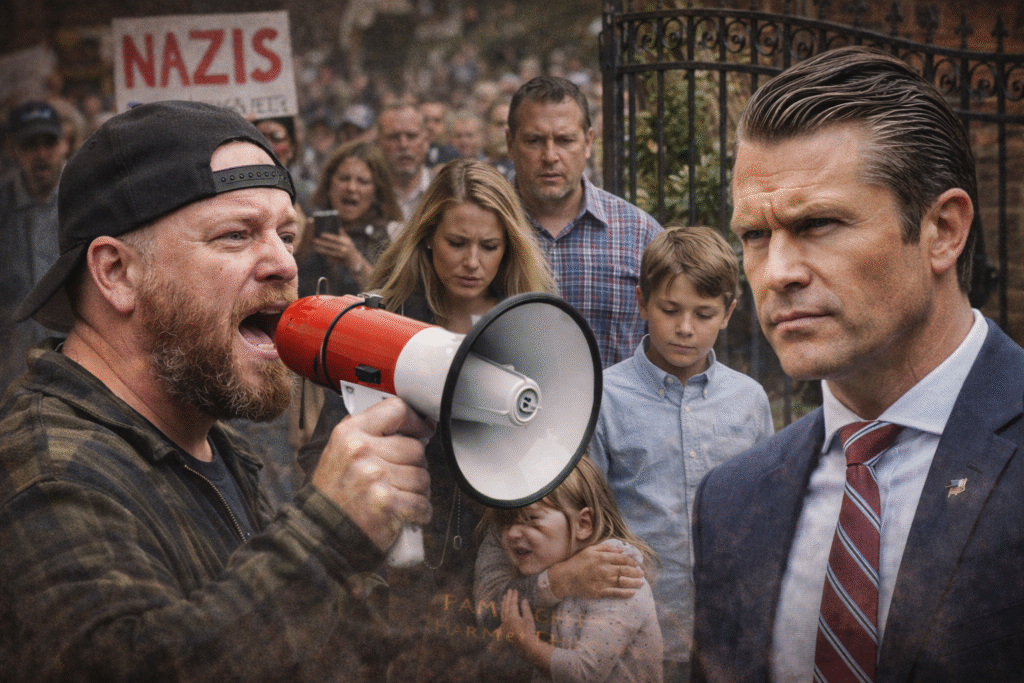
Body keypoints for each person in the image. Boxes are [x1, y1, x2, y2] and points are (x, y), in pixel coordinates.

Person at [0, 100, 433, 682]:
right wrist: (327, 535)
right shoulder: (49, 471)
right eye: (235, 235)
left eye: (285, 233)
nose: (284, 264)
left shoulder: (211, 440)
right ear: (116, 273)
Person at [690, 46, 1024, 683]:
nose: (777, 272)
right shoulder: (731, 503)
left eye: (817, 223)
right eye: (754, 236)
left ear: (943, 231)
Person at [298, 159, 558, 682]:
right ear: (426, 238)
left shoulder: (530, 328)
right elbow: (326, 448)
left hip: (503, 579)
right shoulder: (385, 326)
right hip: (405, 583)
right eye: (457, 242)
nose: (472, 262)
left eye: (489, 246)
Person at [589, 225, 773, 683]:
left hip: (728, 634)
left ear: (729, 313)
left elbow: (767, 513)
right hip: (635, 631)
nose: (685, 328)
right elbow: (586, 519)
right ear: (642, 302)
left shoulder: (748, 401)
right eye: (670, 310)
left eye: (704, 313)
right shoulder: (604, 398)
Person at [506, 75, 662, 368]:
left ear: (588, 142)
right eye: (534, 141)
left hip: (613, 414)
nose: (550, 156)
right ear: (510, 143)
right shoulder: (485, 230)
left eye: (565, 140)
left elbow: (667, 352)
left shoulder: (639, 235)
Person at [487, 455, 664, 682]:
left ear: (583, 524)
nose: (512, 533)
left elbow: (584, 673)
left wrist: (527, 644)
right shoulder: (552, 567)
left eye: (530, 518)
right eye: (506, 522)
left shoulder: (618, 579)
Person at [0, 100, 70, 397]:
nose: (41, 154)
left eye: (48, 143)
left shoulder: (84, 197)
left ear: (64, 144)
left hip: (77, 370)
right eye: (30, 145)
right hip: (12, 378)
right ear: (12, 149)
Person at [298, 139, 402, 298]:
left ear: (376, 189)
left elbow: (395, 300)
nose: (351, 188)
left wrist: (353, 260)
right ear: (329, 182)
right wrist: (301, 253)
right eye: (344, 178)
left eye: (362, 181)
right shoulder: (305, 219)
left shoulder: (392, 234)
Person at [376, 102, 432, 226]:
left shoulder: (446, 192)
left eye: (411, 136)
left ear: (426, 141)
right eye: (393, 137)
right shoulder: (368, 196)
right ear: (378, 144)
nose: (403, 145)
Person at [419, 96, 460, 169]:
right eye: (425, 120)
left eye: (437, 120)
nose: (430, 126)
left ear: (445, 124)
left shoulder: (454, 157)